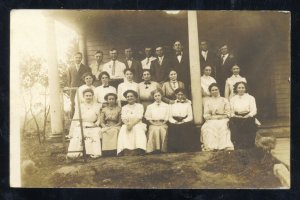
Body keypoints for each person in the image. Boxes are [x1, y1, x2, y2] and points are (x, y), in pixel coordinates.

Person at [67, 88, 102, 159]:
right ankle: (77, 153)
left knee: (95, 132)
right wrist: (78, 124)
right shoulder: (80, 106)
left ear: (92, 96)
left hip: (92, 125)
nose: (88, 97)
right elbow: (76, 117)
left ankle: (92, 153)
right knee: (78, 132)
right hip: (81, 124)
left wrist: (96, 124)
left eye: (90, 95)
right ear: (83, 96)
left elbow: (99, 118)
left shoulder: (97, 106)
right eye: (87, 95)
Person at [200, 83, 234, 151]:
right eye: (212, 90)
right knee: (207, 127)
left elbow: (228, 113)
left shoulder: (224, 100)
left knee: (223, 126)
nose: (215, 91)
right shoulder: (207, 101)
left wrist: (221, 117)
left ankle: (224, 146)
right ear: (210, 91)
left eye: (216, 89)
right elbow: (206, 115)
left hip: (223, 119)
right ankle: (211, 146)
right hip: (211, 119)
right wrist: (214, 118)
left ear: (219, 90)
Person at [168, 88, 199, 152]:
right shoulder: (171, 104)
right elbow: (169, 117)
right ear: (175, 95)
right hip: (175, 121)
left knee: (186, 128)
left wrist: (183, 121)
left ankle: (186, 149)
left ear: (184, 95)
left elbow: (190, 116)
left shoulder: (187, 104)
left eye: (181, 94)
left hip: (185, 121)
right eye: (178, 94)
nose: (180, 96)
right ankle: (175, 149)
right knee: (174, 129)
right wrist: (175, 122)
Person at [117, 90, 147, 156]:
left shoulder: (139, 106)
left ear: (135, 97)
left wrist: (132, 124)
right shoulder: (124, 107)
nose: (129, 98)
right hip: (127, 124)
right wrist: (127, 124)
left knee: (138, 128)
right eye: (128, 96)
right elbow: (123, 117)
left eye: (131, 96)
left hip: (137, 123)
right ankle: (126, 149)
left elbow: (139, 117)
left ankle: (139, 149)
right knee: (123, 129)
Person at [229, 82, 258, 149]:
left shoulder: (251, 98)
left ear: (245, 89)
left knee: (249, 124)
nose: (241, 89)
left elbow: (254, 110)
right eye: (239, 88)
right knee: (233, 123)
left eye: (243, 88)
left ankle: (248, 145)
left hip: (247, 116)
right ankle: (238, 145)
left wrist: (248, 115)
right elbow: (230, 111)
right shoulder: (233, 99)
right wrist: (235, 116)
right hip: (236, 117)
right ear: (236, 89)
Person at [67, 52, 91, 117]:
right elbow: (69, 80)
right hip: (73, 90)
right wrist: (70, 90)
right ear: (74, 58)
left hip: (83, 89)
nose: (78, 59)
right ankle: (73, 120)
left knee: (83, 103)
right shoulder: (70, 68)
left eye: (79, 57)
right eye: (76, 57)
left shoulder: (86, 68)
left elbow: (88, 79)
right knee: (73, 104)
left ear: (81, 58)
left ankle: (84, 118)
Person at [144, 89, 169, 153]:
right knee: (154, 129)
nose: (157, 97)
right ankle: (154, 149)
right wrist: (153, 123)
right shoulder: (150, 106)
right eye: (155, 96)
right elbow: (148, 116)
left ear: (161, 96)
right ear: (153, 97)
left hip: (162, 123)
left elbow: (167, 115)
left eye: (159, 95)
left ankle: (163, 149)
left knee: (162, 129)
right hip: (153, 123)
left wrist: (163, 122)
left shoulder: (166, 106)